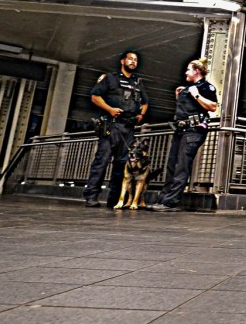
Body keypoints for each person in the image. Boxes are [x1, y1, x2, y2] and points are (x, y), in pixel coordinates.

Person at [83, 50, 149, 208]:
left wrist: (141, 115)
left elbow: (145, 102)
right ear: (122, 61)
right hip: (111, 124)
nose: (133, 62)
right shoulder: (110, 78)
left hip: (129, 127)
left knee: (122, 164)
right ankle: (91, 196)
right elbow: (95, 96)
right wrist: (109, 109)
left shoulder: (137, 82)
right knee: (102, 161)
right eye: (130, 59)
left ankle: (114, 199)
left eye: (135, 60)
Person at [152, 58, 218, 213]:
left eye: (188, 69)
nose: (185, 72)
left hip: (193, 131)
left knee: (182, 166)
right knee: (172, 165)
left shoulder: (206, 87)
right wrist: (180, 95)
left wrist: (196, 95)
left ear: (196, 71)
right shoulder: (188, 88)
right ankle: (163, 199)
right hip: (181, 130)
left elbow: (213, 106)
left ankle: (170, 202)